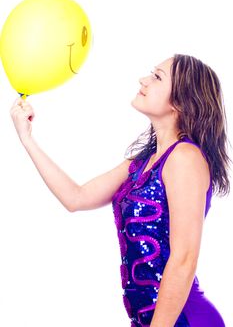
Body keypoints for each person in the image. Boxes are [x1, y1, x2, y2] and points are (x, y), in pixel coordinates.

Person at [10, 54, 230, 327]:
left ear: (180, 101)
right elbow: (76, 197)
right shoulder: (141, 164)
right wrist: (26, 138)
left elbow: (184, 259)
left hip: (184, 320)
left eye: (157, 76)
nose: (144, 80)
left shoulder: (184, 158)